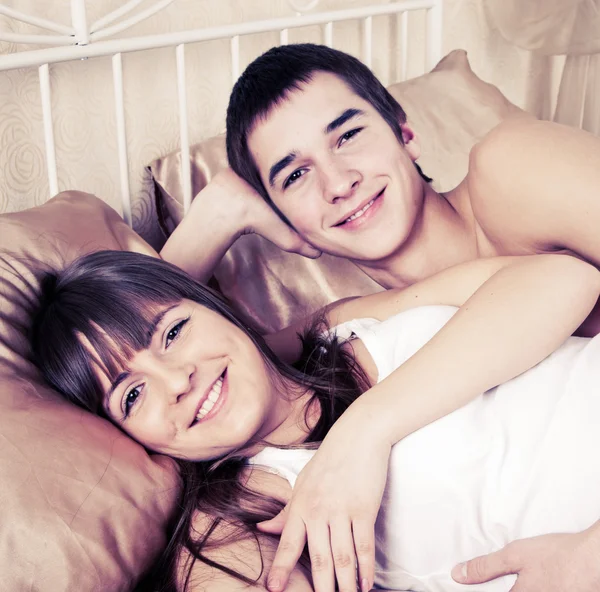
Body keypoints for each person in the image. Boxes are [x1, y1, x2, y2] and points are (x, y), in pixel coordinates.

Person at [159, 43, 600, 591]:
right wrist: (215, 215)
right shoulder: (352, 326)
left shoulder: (511, 168)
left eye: (348, 136)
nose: (339, 183)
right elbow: (149, 350)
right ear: (283, 219)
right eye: (294, 177)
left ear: (403, 131)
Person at [30, 249, 600, 592]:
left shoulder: (334, 331)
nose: (177, 380)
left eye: (173, 332)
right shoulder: (229, 524)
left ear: (211, 304)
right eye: (132, 395)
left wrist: (363, 432)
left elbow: (566, 279)